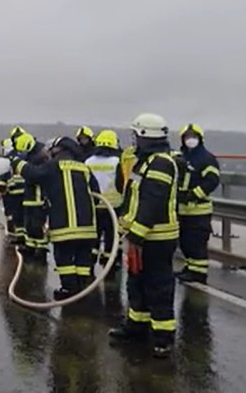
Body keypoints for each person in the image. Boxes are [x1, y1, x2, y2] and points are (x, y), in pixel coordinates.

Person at [109, 112, 179, 359]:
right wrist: (125, 225)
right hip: (141, 236)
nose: (133, 140)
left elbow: (153, 201)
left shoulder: (161, 163)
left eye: (136, 135)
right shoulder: (144, 161)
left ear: (145, 136)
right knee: (136, 283)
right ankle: (136, 327)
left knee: (158, 286)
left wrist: (136, 233)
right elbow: (133, 198)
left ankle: (163, 337)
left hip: (156, 238)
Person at [11, 135, 99, 300]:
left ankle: (69, 289)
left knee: (64, 258)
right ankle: (81, 288)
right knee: (82, 258)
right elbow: (96, 195)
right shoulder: (84, 168)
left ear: (59, 150)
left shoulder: (54, 166)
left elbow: (32, 174)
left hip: (64, 226)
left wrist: (16, 162)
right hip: (88, 227)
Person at [176, 123, 220, 284]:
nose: (190, 140)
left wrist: (194, 194)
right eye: (187, 137)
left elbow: (212, 181)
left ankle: (199, 273)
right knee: (185, 242)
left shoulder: (206, 158)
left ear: (200, 139)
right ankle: (190, 268)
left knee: (196, 244)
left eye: (193, 137)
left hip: (199, 210)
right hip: (182, 210)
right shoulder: (181, 157)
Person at [85, 130, 125, 268]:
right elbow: (121, 184)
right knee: (111, 235)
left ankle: (90, 260)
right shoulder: (116, 162)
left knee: (93, 234)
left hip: (94, 204)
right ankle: (110, 261)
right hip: (113, 206)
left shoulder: (88, 161)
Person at [16, 133, 51, 262]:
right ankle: (30, 248)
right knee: (29, 226)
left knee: (38, 227)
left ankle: (41, 251)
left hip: (39, 199)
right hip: (29, 198)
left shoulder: (42, 159)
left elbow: (36, 177)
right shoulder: (31, 157)